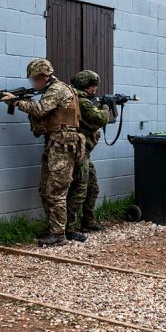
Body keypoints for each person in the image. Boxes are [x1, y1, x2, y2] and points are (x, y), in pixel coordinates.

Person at [1, 58, 87, 246]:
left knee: (56, 191)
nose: (34, 84)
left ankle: (58, 235)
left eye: (35, 80)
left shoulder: (56, 89)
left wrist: (16, 102)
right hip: (55, 144)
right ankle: (53, 229)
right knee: (45, 189)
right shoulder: (51, 89)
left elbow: (40, 110)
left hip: (63, 145)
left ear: (45, 77)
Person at [71, 70, 109, 232]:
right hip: (79, 152)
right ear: (84, 85)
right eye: (92, 85)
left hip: (85, 151)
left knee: (93, 187)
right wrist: (106, 107)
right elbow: (100, 118)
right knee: (80, 189)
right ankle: (69, 227)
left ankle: (88, 221)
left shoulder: (87, 100)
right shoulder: (82, 101)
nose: (94, 89)